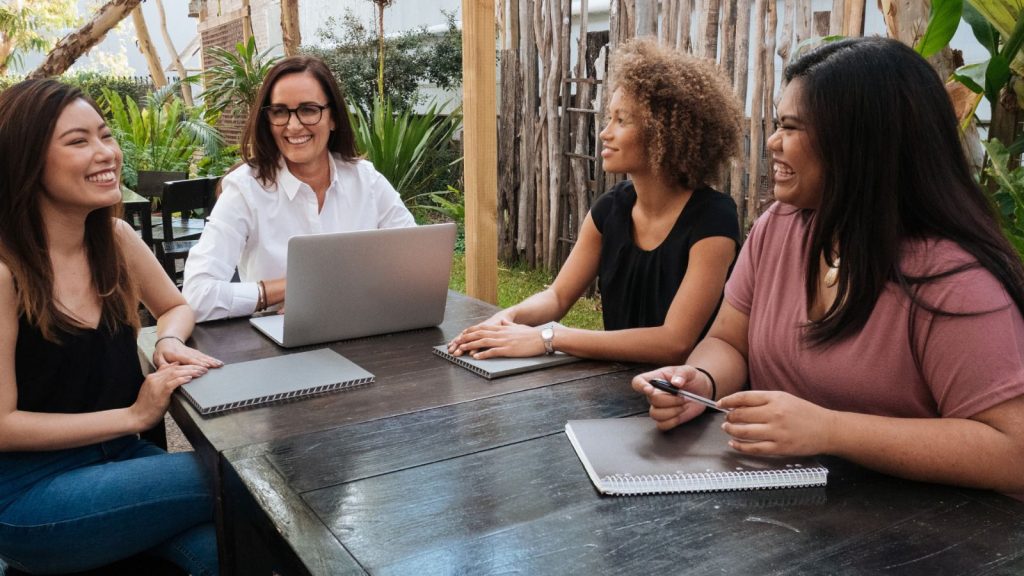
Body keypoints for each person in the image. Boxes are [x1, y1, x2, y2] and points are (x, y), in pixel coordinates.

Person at [632, 37, 1024, 494]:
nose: (774, 142)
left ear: (858, 143)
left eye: (791, 127)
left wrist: (830, 430)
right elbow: (727, 341)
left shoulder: (953, 281)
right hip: (779, 520)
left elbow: (1013, 452)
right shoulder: (778, 228)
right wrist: (700, 381)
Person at [0, 79, 222, 574]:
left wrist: (166, 339)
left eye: (105, 135)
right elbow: (2, 425)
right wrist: (134, 415)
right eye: (78, 142)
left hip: (121, 464)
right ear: (25, 160)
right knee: (245, 478)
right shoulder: (5, 272)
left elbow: (175, 306)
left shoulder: (114, 238)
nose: (105, 153)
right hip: (30, 495)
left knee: (226, 547)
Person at [447, 38, 742, 365]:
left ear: (664, 134)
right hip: (613, 386)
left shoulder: (713, 220)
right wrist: (506, 320)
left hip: (685, 397)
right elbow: (557, 296)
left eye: (621, 120)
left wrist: (549, 337)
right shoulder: (611, 209)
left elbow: (674, 342)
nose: (605, 132)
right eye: (609, 118)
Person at [183, 55, 416, 322]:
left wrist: (339, 289)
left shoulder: (367, 181)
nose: (293, 126)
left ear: (333, 118)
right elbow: (196, 296)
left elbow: (416, 265)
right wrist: (289, 288)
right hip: (279, 346)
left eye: (308, 109)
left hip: (362, 330)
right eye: (280, 111)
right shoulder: (245, 190)